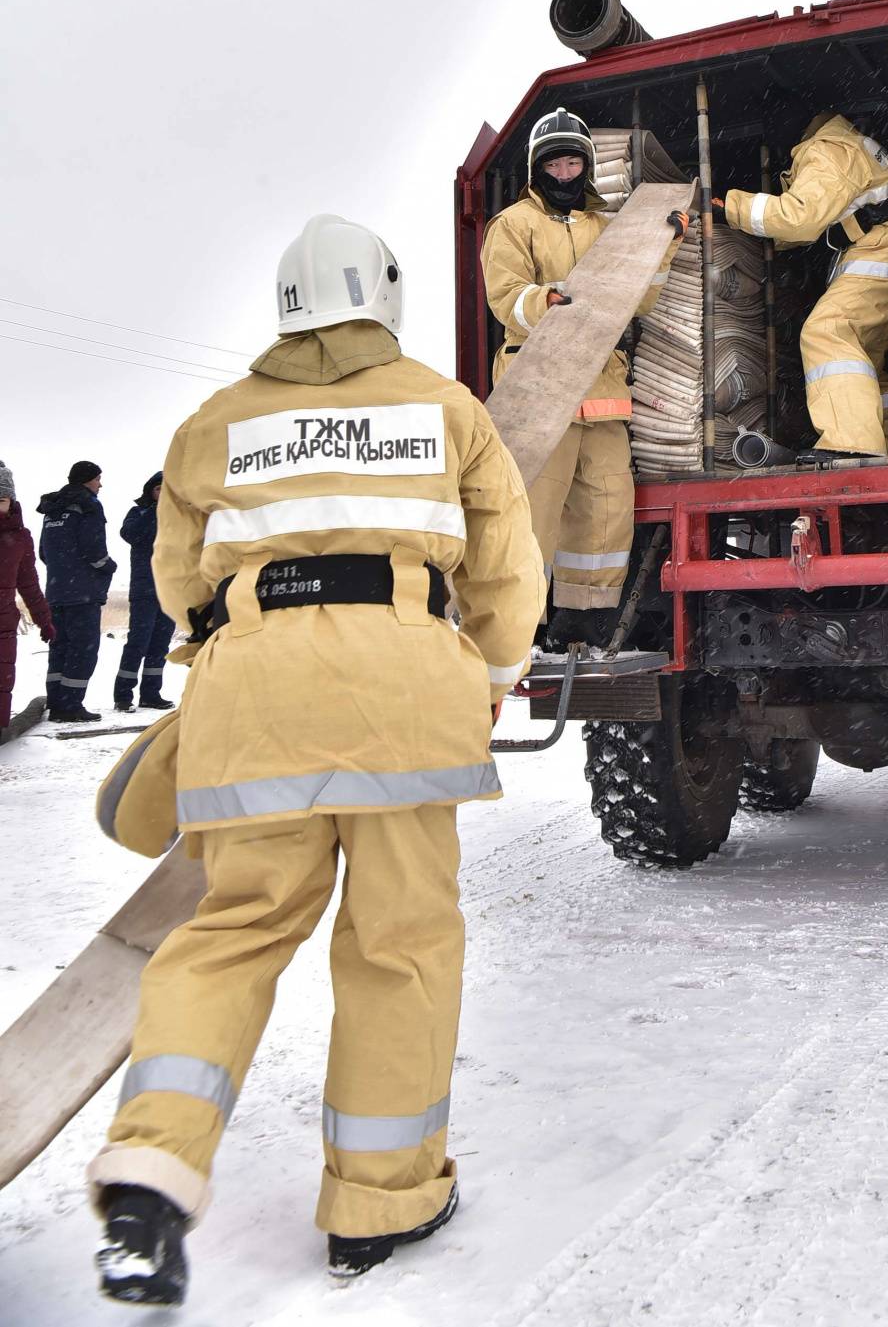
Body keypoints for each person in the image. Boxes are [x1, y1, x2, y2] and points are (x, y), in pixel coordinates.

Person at [89, 213, 544, 1307]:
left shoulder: (214, 422)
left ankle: (151, 1175)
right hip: (404, 688)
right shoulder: (445, 407)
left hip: (251, 694)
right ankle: (377, 1204)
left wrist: (244, 647)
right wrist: (476, 681)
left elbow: (174, 581)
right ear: (380, 295)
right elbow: (507, 577)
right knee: (400, 945)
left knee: (229, 935)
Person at [481, 109, 686, 649]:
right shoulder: (513, 225)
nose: (565, 172)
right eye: (555, 162)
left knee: (606, 512)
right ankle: (517, 627)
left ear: (588, 167)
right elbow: (504, 296)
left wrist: (664, 246)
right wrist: (542, 301)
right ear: (536, 169)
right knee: (534, 513)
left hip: (601, 392)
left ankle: (585, 624)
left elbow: (639, 299)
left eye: (574, 161)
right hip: (540, 383)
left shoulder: (605, 228)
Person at [722, 114, 888, 464]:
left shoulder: (824, 150)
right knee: (862, 360)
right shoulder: (845, 143)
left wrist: (730, 208)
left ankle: (852, 444)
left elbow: (799, 219)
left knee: (826, 332)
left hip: (885, 250)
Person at [36, 459, 116, 722]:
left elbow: (44, 553)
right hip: (83, 593)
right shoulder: (88, 505)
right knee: (83, 648)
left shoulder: (53, 508)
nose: (100, 484)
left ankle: (56, 701)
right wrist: (107, 567)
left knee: (60, 647)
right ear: (86, 480)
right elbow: (94, 550)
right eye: (97, 479)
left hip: (57, 591)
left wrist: (64, 572)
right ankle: (70, 706)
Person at [112, 474, 175, 714]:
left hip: (169, 589)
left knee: (160, 644)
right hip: (144, 589)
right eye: (158, 489)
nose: (162, 493)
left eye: (166, 489)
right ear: (150, 491)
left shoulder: (177, 516)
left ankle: (151, 694)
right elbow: (129, 534)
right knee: (138, 642)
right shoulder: (138, 513)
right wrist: (155, 511)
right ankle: (123, 695)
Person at [0, 460, 55, 734]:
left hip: (3, 626)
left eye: (2, 499)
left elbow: (30, 585)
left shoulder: (20, 538)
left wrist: (44, 620)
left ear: (12, 500)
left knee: (2, 679)